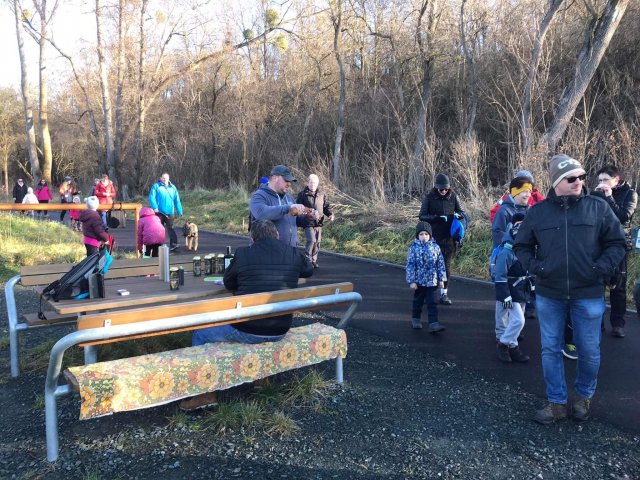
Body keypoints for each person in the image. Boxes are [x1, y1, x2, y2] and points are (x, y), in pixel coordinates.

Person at [514, 153, 626, 425]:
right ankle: (556, 403)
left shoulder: (598, 208)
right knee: (550, 349)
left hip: (588, 293)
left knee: (589, 351)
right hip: (550, 294)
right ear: (556, 183)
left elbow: (617, 243)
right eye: (571, 178)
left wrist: (600, 269)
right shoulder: (538, 212)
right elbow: (521, 246)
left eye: (581, 176)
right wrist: (538, 268)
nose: (579, 182)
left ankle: (584, 398)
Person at [180, 220, 314, 411]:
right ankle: (261, 379)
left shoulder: (243, 254)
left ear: (253, 239)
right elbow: (308, 270)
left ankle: (205, 394)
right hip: (280, 328)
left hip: (247, 329)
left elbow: (229, 283)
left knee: (200, 334)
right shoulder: (292, 252)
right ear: (277, 235)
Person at [591, 165, 637, 338]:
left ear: (616, 180)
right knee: (598, 283)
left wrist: (609, 197)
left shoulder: (629, 193)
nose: (602, 183)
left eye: (605, 179)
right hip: (599, 243)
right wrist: (595, 196)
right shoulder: (597, 193)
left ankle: (618, 324)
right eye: (600, 180)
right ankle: (598, 323)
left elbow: (623, 216)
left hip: (619, 244)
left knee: (618, 286)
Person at [418, 173, 465, 305]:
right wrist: (436, 218)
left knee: (446, 267)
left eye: (446, 189)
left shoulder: (453, 196)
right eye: (441, 189)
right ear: (436, 188)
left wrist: (459, 215)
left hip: (449, 238)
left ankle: (444, 294)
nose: (444, 191)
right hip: (434, 237)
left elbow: (461, 212)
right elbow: (422, 216)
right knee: (431, 266)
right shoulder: (429, 197)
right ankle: (429, 293)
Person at [493, 212, 530, 363]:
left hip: (522, 289)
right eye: (518, 225)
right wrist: (505, 295)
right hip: (511, 291)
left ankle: (513, 346)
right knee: (518, 321)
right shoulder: (506, 251)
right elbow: (500, 275)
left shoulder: (526, 248)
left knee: (517, 320)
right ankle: (503, 344)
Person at [249, 165, 307, 247]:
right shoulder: (259, 195)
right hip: (268, 251)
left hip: (289, 250)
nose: (289, 184)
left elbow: (295, 220)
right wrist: (288, 207)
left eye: (290, 181)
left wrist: (309, 219)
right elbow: (261, 213)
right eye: (286, 180)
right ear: (275, 178)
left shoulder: (288, 197)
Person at [406, 221, 447, 333]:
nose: (424, 236)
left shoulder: (435, 247)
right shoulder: (413, 248)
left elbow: (440, 264)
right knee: (418, 302)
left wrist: (441, 279)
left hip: (432, 281)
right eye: (421, 234)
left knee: (432, 302)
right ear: (417, 236)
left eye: (426, 234)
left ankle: (434, 323)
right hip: (419, 282)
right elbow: (410, 265)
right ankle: (416, 318)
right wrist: (412, 281)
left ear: (430, 235)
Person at [296, 174, 334, 268]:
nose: (312, 184)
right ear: (308, 183)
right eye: (311, 182)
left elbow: (326, 206)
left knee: (317, 242)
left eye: (314, 183)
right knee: (311, 240)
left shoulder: (322, 194)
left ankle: (313, 260)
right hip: (307, 222)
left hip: (318, 222)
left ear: (317, 183)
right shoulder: (302, 194)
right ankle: (307, 261)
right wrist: (306, 214)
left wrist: (330, 214)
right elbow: (297, 209)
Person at [491, 177, 532, 248]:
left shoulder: (530, 210)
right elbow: (498, 238)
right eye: (525, 191)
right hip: (509, 253)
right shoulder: (503, 212)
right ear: (515, 192)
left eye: (529, 192)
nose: (528, 195)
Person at [148, 173, 183, 251]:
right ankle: (157, 245)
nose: (164, 179)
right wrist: (154, 207)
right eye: (163, 178)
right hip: (159, 212)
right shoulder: (156, 186)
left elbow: (177, 200)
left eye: (166, 178)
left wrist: (179, 210)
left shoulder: (173, 187)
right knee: (158, 229)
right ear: (160, 178)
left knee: (171, 228)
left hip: (170, 212)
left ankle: (174, 244)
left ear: (168, 178)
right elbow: (151, 197)